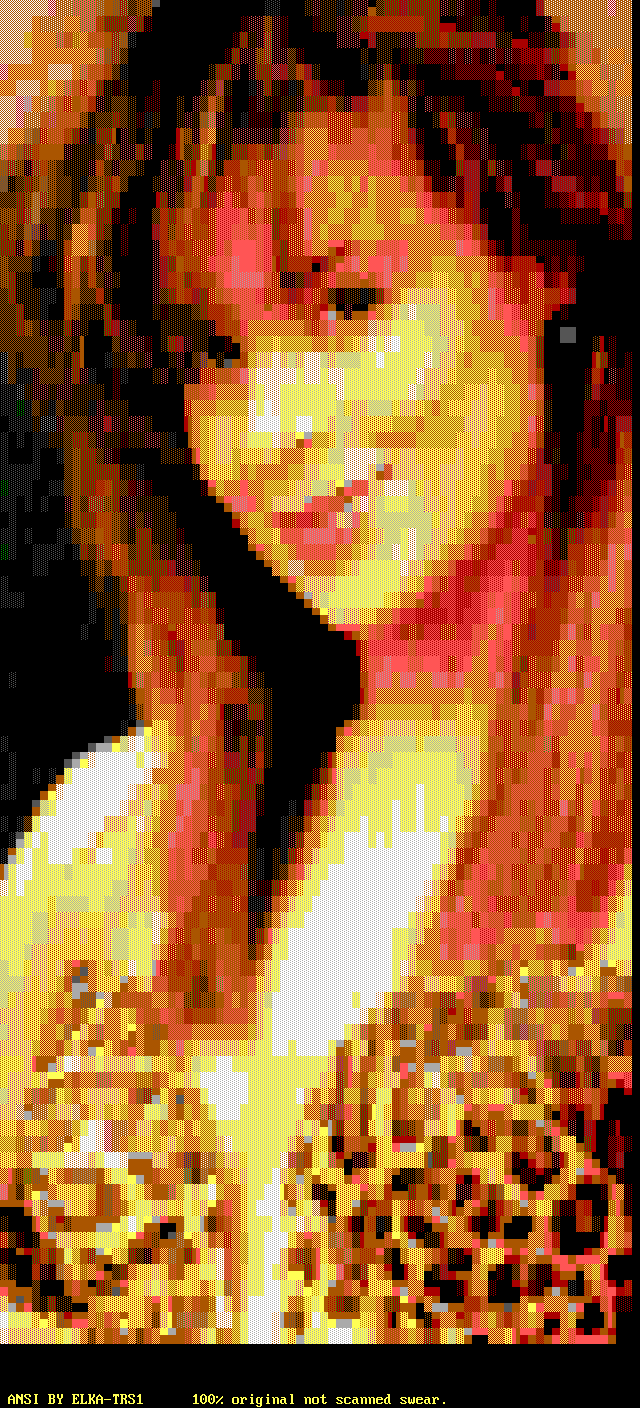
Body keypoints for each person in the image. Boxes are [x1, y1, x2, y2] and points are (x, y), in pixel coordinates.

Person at [0, 0, 631, 1346]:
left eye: (349, 306)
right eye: (213, 356)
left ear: (544, 254)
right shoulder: (102, 837)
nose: (273, 426)